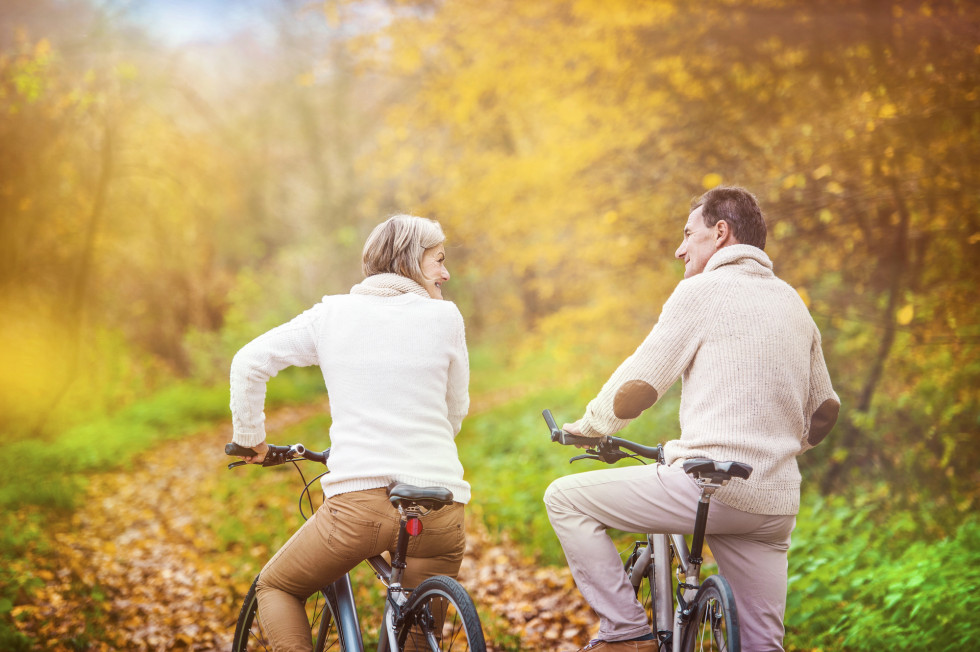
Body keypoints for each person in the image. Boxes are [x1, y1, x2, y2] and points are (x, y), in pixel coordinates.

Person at [544, 186, 840, 652]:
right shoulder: (792, 303)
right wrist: (775, 447)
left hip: (710, 490)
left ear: (721, 233)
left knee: (565, 498)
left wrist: (591, 426)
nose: (680, 249)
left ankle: (625, 632)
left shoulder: (701, 292)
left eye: (689, 234)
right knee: (763, 644)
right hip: (774, 503)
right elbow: (824, 411)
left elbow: (639, 385)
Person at [229, 214, 470, 651]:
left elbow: (249, 362)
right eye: (438, 260)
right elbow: (454, 413)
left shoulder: (332, 316)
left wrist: (251, 440)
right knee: (417, 634)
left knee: (277, 588)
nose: (445, 273)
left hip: (359, 508)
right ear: (409, 262)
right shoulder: (446, 318)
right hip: (442, 508)